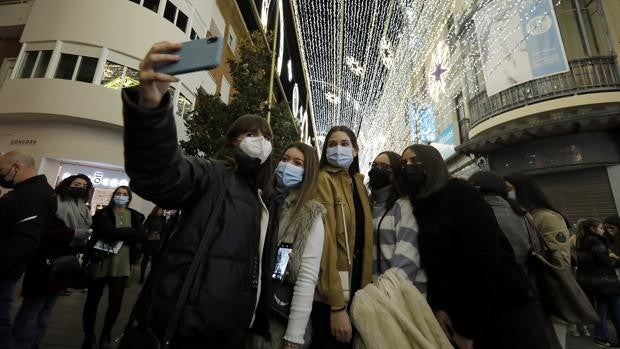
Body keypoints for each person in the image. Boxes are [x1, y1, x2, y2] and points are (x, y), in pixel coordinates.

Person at [120, 41, 277, 348]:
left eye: (267, 137)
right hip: (183, 332)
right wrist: (150, 107)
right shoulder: (213, 174)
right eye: (252, 134)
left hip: (229, 335)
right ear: (233, 140)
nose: (262, 141)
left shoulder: (263, 198)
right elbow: (161, 177)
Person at [402, 144, 551, 349]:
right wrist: (439, 307)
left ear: (433, 164)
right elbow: (434, 265)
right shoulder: (421, 205)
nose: (409, 167)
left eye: (416, 161)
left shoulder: (461, 193)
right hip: (460, 312)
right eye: (404, 163)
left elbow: (482, 260)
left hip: (501, 309)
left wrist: (467, 328)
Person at [247, 142, 325, 349]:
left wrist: (294, 337)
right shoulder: (259, 200)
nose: (288, 165)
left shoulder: (310, 214)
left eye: (297, 163)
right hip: (242, 308)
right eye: (284, 159)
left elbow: (307, 278)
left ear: (307, 173)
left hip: (275, 318)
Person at [12, 174, 92, 349]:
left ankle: (35, 344)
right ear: (67, 184)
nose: (80, 187)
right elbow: (42, 230)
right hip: (44, 261)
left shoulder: (84, 209)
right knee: (32, 308)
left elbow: (83, 233)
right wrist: (72, 234)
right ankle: (19, 344)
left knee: (47, 309)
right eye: (76, 183)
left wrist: (80, 238)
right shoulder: (53, 201)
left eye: (84, 186)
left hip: (65, 262)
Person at [311, 126, 373, 349]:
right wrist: (336, 306)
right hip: (332, 300)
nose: (338, 149)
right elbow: (325, 244)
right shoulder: (323, 180)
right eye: (332, 144)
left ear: (355, 150)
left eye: (344, 144)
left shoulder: (358, 184)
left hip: (358, 293)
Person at [504, 172, 571, 348]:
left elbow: (561, 260)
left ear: (524, 190)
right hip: (532, 294)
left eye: (508, 189)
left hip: (550, 293)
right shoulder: (518, 215)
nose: (506, 194)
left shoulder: (546, 217)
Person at [0, 151, 56, 349]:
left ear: (16, 166)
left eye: (1, 170)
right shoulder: (28, 192)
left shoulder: (33, 194)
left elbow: (25, 240)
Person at [81, 186, 145, 349]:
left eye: (125, 194)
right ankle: (89, 337)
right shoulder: (103, 214)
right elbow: (108, 233)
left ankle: (106, 334)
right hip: (101, 261)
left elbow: (141, 236)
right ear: (113, 196)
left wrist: (120, 233)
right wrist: (130, 231)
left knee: (116, 300)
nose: (121, 196)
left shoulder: (136, 215)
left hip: (122, 264)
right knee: (93, 300)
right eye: (118, 194)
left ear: (129, 197)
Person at [368, 151, 425, 289]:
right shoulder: (368, 206)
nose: (377, 169)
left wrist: (385, 292)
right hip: (375, 294)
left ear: (396, 174)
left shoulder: (403, 206)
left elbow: (407, 260)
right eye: (374, 165)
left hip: (402, 295)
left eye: (384, 166)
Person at [575, 218, 620, 348]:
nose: (603, 231)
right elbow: (605, 261)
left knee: (602, 309)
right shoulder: (595, 241)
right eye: (601, 228)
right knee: (616, 309)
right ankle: (602, 337)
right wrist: (617, 261)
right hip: (605, 281)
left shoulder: (582, 240)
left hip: (594, 282)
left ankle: (600, 338)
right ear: (592, 229)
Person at [140, 206, 165, 284]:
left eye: (162, 210)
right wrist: (151, 231)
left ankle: (151, 278)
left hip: (157, 241)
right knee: (145, 259)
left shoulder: (163, 219)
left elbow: (164, 229)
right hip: (149, 241)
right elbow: (144, 227)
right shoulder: (150, 217)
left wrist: (160, 233)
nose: (161, 212)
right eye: (160, 210)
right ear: (156, 210)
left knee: (154, 260)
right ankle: (142, 277)